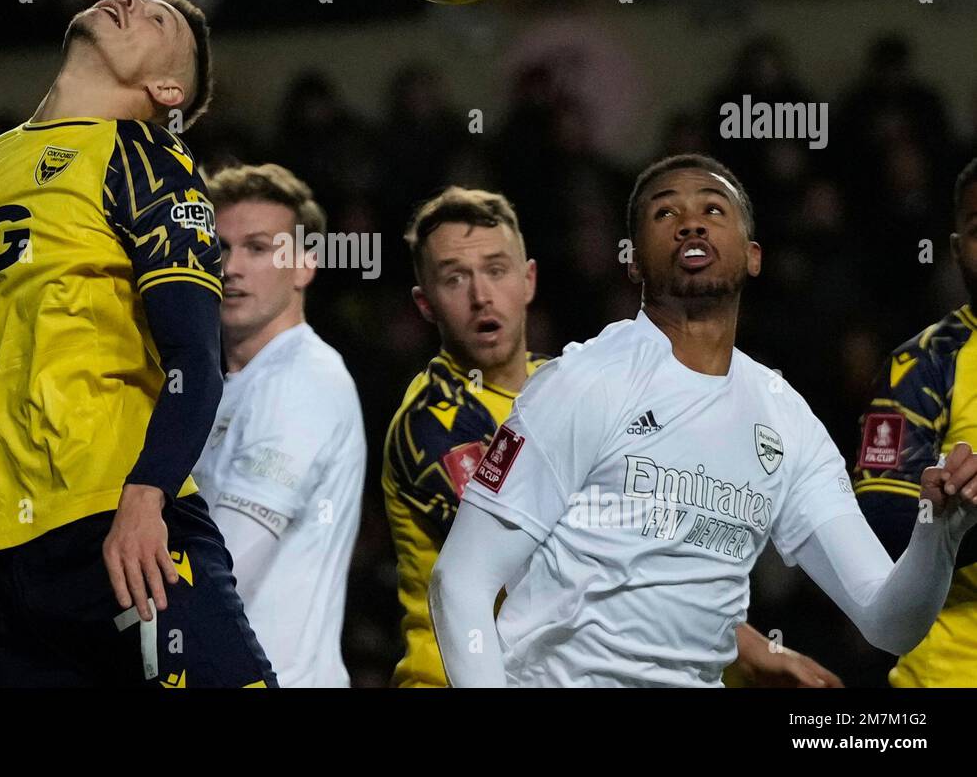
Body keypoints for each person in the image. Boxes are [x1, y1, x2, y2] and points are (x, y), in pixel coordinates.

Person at [430, 155, 977, 687]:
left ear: (754, 254)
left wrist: (938, 534)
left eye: (714, 210)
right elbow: (461, 581)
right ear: (634, 262)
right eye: (664, 213)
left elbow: (889, 623)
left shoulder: (785, 418)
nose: (691, 221)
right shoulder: (581, 384)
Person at [0, 0, 275, 688]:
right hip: (14, 565)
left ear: (166, 88)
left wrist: (146, 501)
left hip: (123, 527)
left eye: (159, 19)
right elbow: (6, 377)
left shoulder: (148, 158)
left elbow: (195, 360)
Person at [389, 185, 839, 687]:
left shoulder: (570, 384)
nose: (480, 296)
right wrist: (751, 649)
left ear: (528, 279)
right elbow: (568, 562)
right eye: (454, 279)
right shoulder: (434, 419)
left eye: (496, 270)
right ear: (425, 304)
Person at [191, 163, 364, 687]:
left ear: (304, 266)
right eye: (219, 247)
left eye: (259, 248)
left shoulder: (301, 381)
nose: (230, 267)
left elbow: (226, 572)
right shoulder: (222, 389)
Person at [852, 156, 977, 686]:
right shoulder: (927, 362)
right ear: (955, 251)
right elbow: (879, 516)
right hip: (950, 676)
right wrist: (951, 520)